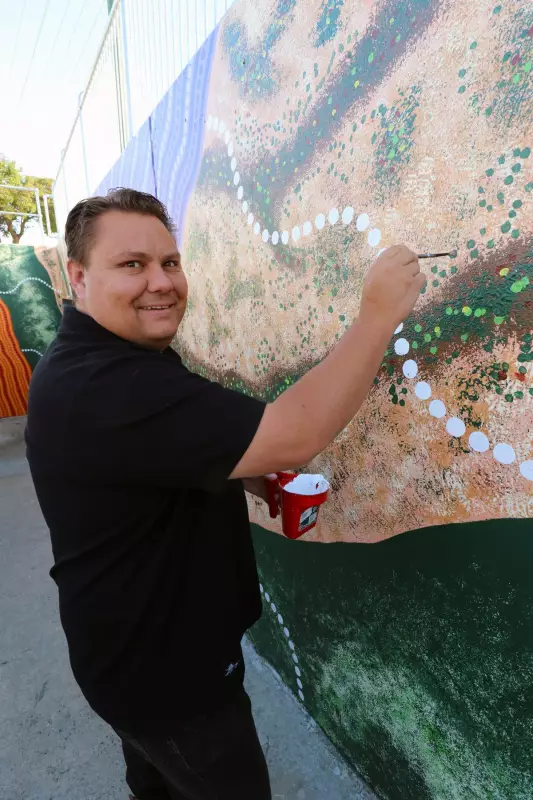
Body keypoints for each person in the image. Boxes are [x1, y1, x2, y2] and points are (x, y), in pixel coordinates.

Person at [25, 188, 425, 800]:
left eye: (170, 262)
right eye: (132, 264)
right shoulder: (111, 385)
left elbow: (155, 456)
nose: (161, 281)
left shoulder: (108, 359)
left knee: (158, 784)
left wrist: (245, 470)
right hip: (173, 682)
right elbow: (294, 434)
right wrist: (378, 314)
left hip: (122, 659)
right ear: (78, 276)